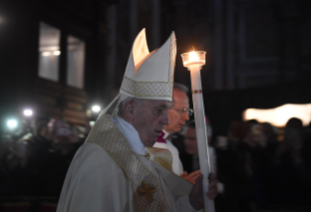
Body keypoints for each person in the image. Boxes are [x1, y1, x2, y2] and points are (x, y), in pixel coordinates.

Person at [57, 29, 217, 212]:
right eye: (158, 110)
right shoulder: (100, 159)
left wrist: (192, 202)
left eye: (167, 109)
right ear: (131, 110)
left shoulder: (143, 155)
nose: (165, 120)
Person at [153, 83, 191, 176]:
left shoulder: (172, 150)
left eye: (188, 111)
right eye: (181, 110)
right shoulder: (137, 145)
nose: (187, 117)